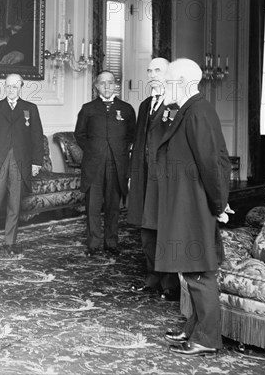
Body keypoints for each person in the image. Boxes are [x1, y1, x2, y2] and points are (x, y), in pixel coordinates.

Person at [153, 58, 232, 356]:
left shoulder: (199, 111)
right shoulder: (186, 110)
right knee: (190, 270)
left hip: (196, 206)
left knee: (200, 273)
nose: (163, 85)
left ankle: (207, 339)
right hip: (186, 204)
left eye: (168, 79)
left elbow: (213, 164)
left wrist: (219, 204)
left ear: (184, 81)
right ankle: (194, 330)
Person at [0, 73, 44, 256]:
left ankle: (10, 243)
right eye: (8, 86)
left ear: (21, 87)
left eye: (15, 86)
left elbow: (37, 137)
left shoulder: (31, 108)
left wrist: (36, 162)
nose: (11, 89)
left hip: (21, 162)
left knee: (14, 203)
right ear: (5, 87)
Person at [127, 57, 180, 301]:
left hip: (166, 179)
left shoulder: (176, 104)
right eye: (149, 70)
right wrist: (132, 175)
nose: (152, 74)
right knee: (146, 229)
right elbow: (139, 143)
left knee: (166, 229)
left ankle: (170, 284)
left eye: (157, 70)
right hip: (144, 177)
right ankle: (152, 278)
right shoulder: (144, 104)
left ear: (168, 74)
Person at [74, 71, 136, 258]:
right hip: (94, 165)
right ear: (97, 86)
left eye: (110, 83)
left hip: (117, 165)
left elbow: (132, 135)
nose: (107, 86)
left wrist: (119, 151)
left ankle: (111, 242)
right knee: (93, 206)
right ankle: (93, 244)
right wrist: (93, 150)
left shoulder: (126, 109)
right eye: (103, 83)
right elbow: (80, 135)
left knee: (113, 207)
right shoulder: (88, 109)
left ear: (115, 85)